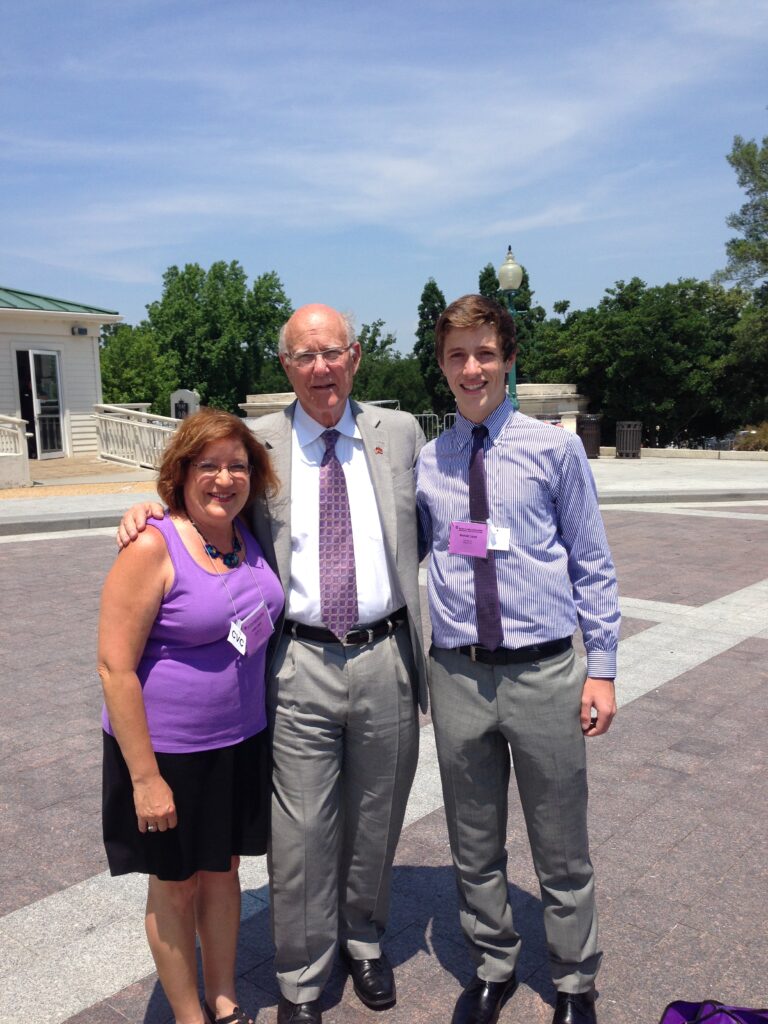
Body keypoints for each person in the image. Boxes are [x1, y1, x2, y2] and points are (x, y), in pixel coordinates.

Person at [117, 304, 428, 1024]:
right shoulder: (258, 446)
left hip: (386, 654)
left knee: (377, 818)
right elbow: (204, 507)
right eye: (304, 356)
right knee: (299, 835)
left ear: (355, 357)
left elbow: (437, 526)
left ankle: (365, 940)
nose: (322, 368)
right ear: (285, 366)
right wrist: (146, 513)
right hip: (295, 662)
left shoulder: (401, 433)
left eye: (334, 353)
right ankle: (301, 976)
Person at [415, 295, 620, 1024]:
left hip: (543, 673)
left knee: (561, 845)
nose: (472, 369)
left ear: (507, 359)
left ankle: (573, 980)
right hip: (460, 674)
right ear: (441, 367)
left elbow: (592, 562)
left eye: (485, 353)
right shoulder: (428, 460)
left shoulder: (554, 449)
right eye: (457, 356)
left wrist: (603, 666)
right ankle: (493, 965)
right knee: (474, 842)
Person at [100, 408, 284, 1024]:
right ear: (181, 473)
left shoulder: (242, 534)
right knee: (175, 884)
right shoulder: (153, 544)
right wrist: (146, 779)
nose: (224, 479)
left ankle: (225, 995)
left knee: (223, 871)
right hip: (167, 753)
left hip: (237, 741)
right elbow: (114, 669)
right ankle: (188, 1013)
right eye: (209, 466)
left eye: (237, 466)